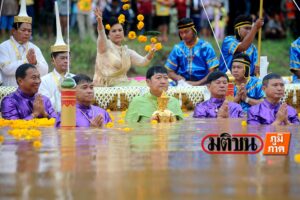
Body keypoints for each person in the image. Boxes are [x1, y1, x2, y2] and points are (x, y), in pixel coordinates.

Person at [93, 8, 156, 86]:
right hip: (105, 87)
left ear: (123, 32)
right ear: (108, 35)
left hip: (123, 86)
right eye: (114, 31)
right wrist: (99, 21)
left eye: (120, 30)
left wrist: (150, 53)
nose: (117, 33)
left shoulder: (126, 51)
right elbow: (101, 34)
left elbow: (143, 61)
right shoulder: (104, 46)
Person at [0, 0, 48, 86]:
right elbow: (6, 69)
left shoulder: (34, 48)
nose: (27, 33)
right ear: (14, 31)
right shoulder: (3, 47)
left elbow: (45, 70)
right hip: (9, 93)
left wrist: (35, 63)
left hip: (29, 94)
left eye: (29, 31)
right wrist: (27, 61)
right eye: (23, 30)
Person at [39, 1, 74, 112]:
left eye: (67, 58)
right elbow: (45, 106)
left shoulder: (75, 79)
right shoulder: (44, 81)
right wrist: (60, 92)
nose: (66, 61)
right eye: (62, 58)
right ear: (53, 60)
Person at [165, 18, 219, 86]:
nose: (184, 35)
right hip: (183, 84)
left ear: (193, 30)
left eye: (186, 32)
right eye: (181, 33)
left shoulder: (206, 47)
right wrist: (179, 79)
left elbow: (213, 72)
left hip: (204, 84)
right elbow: (170, 72)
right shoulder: (178, 48)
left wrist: (197, 83)